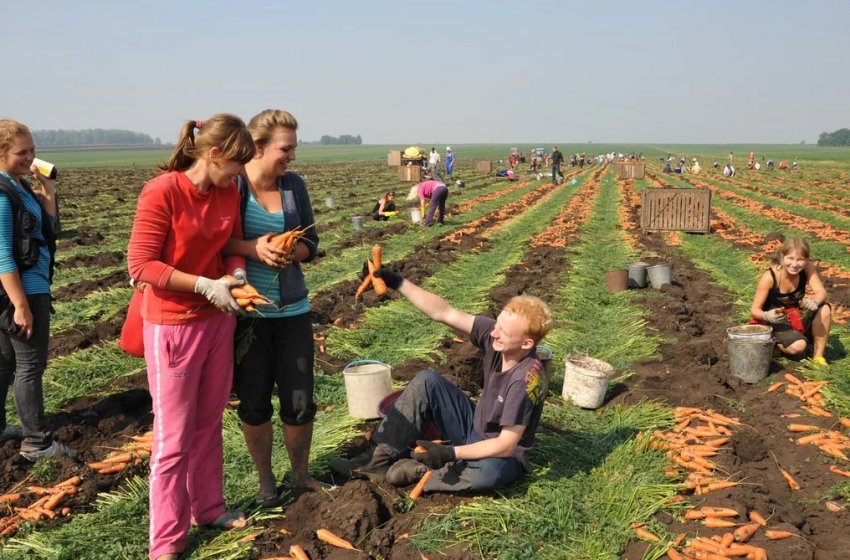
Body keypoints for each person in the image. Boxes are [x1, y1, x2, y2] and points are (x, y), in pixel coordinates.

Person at [127, 114, 255, 560]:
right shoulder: (162, 191)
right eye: (236, 164)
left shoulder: (227, 191)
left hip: (217, 320)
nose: (240, 173)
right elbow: (141, 264)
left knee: (209, 421)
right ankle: (166, 542)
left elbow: (231, 245)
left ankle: (209, 508)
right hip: (173, 325)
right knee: (173, 437)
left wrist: (236, 276)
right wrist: (202, 284)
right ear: (214, 154)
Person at [330, 269, 552, 494]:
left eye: (503, 332)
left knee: (488, 473)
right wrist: (399, 282)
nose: (494, 333)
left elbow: (506, 445)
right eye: (497, 325)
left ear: (526, 344)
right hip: (475, 427)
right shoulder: (495, 337)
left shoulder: (524, 381)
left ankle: (427, 473)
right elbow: (444, 312)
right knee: (428, 381)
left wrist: (450, 453)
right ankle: (374, 463)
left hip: (501, 455)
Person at [220, 109, 324, 506]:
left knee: (299, 400)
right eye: (286, 149)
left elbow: (311, 243)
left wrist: (292, 250)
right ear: (259, 147)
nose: (291, 156)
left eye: (293, 148)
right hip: (249, 317)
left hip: (293, 311)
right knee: (254, 402)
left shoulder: (293, 185)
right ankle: (266, 483)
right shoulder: (233, 185)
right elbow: (217, 242)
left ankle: (300, 475)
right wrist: (255, 249)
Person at [0, 120, 70, 458]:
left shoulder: (19, 186)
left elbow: (49, 229)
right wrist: (21, 305)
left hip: (21, 290)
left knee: (4, 363)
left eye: (32, 150)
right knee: (30, 366)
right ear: (2, 152)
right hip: (23, 290)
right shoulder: (3, 193)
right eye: (22, 152)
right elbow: (2, 253)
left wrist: (48, 190)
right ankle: (37, 442)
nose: (30, 157)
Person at [749, 237, 831, 366]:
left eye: (800, 259)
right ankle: (773, 344)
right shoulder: (770, 277)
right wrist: (767, 315)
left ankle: (818, 357)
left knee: (825, 308)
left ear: (806, 260)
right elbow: (754, 310)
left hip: (795, 317)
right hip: (774, 322)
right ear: (782, 257)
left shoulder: (807, 268)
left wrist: (814, 302)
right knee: (799, 346)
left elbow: (821, 292)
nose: (794, 264)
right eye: (790, 258)